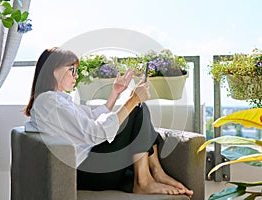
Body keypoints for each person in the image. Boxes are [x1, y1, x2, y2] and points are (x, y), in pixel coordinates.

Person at [24, 47, 193, 197]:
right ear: (53, 70)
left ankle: (155, 173)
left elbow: (91, 117)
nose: (76, 76)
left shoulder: (54, 100)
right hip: (84, 171)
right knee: (137, 109)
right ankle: (144, 181)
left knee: (136, 111)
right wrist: (132, 100)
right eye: (72, 70)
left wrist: (115, 93)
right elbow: (94, 133)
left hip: (87, 167)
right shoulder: (51, 103)